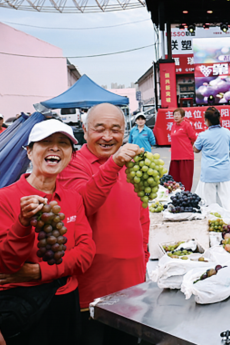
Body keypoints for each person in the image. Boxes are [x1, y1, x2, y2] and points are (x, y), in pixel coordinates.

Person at [0, 120, 96, 344]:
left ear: (71, 155)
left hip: (65, 301)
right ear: (29, 152)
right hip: (21, 306)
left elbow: (85, 254)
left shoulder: (73, 198)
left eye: (63, 143)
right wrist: (23, 223)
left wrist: (38, 272)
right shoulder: (1, 199)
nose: (55, 147)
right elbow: (4, 264)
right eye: (46, 142)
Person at [57, 103, 148, 345]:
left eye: (115, 130)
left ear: (124, 132)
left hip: (132, 288)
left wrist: (144, 256)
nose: (108, 137)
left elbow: (142, 215)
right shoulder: (73, 164)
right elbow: (85, 203)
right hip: (92, 292)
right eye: (100, 129)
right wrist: (114, 164)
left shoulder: (131, 165)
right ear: (85, 130)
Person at [193, 107, 230, 209]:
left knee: (209, 204)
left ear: (207, 120)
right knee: (227, 202)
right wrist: (228, 161)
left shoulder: (203, 135)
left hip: (209, 173)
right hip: (224, 172)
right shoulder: (227, 132)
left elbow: (196, 149)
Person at [168, 107, 197, 191]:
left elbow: (193, 138)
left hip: (185, 156)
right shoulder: (173, 126)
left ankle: (186, 195)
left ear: (183, 116)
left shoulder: (186, 125)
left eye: (178, 115)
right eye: (174, 115)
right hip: (175, 156)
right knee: (173, 180)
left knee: (185, 180)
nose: (176, 116)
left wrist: (188, 147)